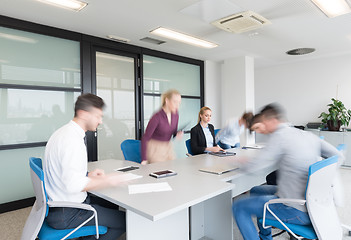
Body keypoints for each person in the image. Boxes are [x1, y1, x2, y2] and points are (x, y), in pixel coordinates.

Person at [232, 103, 343, 240]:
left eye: (263, 123)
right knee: (256, 190)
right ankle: (265, 236)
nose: (262, 129)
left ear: (272, 121)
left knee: (239, 206)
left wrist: (236, 161)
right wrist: (321, 183)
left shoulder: (279, 136)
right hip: (315, 204)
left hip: (296, 209)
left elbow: (253, 166)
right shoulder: (306, 134)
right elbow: (339, 156)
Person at [43, 93, 126, 240]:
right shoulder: (73, 141)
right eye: (97, 116)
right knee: (125, 221)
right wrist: (108, 180)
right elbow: (73, 185)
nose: (100, 121)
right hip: (69, 213)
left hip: (58, 206)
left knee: (110, 203)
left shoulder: (63, 133)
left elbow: (65, 172)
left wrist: (88, 176)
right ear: (83, 114)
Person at [141, 89, 183, 164]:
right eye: (175, 102)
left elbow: (173, 131)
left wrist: (177, 133)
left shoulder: (175, 114)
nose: (177, 105)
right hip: (155, 148)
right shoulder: (157, 117)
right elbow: (145, 137)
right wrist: (144, 159)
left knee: (173, 171)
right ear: (167, 101)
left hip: (168, 147)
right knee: (160, 171)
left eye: (179, 102)